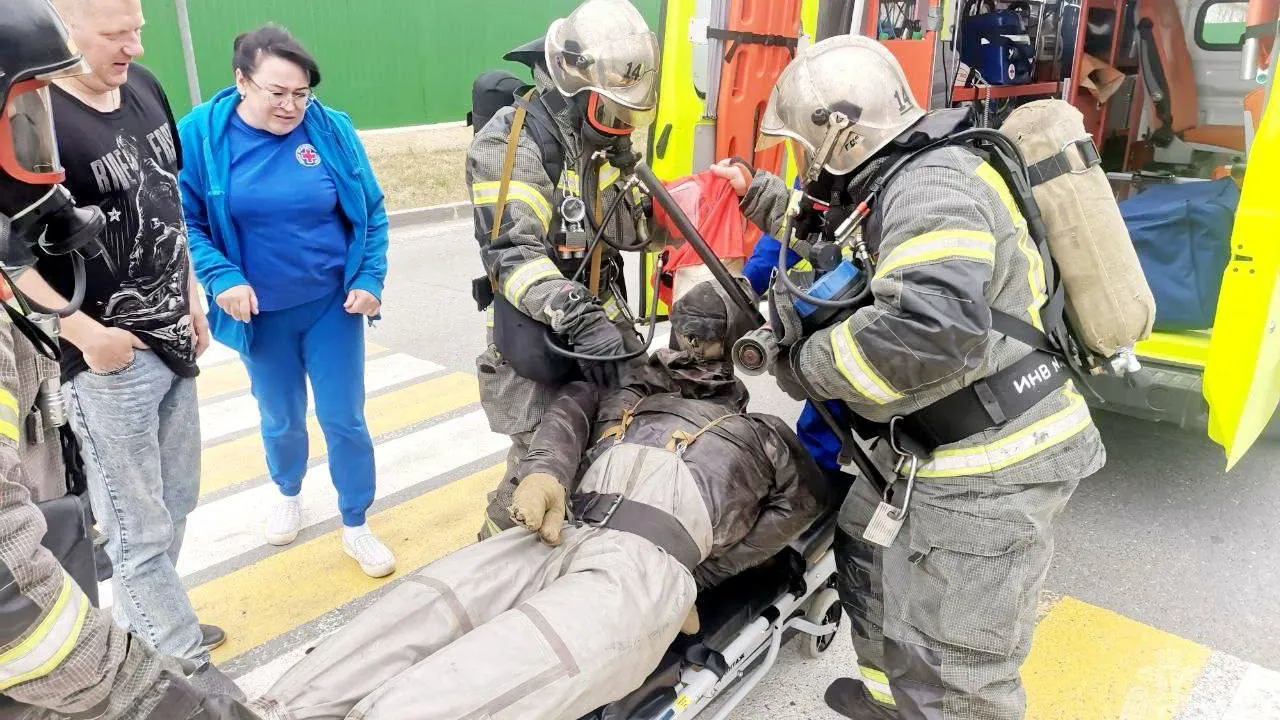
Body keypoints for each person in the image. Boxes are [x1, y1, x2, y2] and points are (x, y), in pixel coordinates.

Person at [709, 35, 1106, 720]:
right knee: (865, 552)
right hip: (929, 449)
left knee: (961, 670)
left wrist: (805, 365)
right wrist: (765, 199)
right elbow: (847, 243)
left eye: (809, 145)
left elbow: (929, 328)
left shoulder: (934, 181)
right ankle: (894, 704)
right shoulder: (899, 179)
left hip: (989, 466)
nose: (809, 162)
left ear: (843, 133)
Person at [245, 280, 833, 720]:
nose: (693, 347)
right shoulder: (626, 393)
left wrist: (701, 574)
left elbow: (801, 509)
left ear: (733, 347)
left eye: (707, 339)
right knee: (426, 606)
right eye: (685, 332)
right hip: (560, 527)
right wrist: (547, 473)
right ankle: (278, 710)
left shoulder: (764, 436)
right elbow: (568, 415)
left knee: (498, 666)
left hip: (642, 567)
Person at [0, 0, 253, 714]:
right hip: (107, 361)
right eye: (115, 33)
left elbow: (163, 197)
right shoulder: (37, 114)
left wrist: (194, 300)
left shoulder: (142, 90)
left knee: (175, 504)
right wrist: (87, 337)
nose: (135, 46)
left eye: (138, 27)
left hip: (175, 341)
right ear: (66, 29)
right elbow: (11, 252)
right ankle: (180, 661)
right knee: (137, 527)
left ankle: (154, 616)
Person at [178, 24, 394, 578]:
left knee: (344, 417)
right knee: (280, 418)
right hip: (261, 315)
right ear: (241, 81)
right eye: (277, 93)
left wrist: (369, 278)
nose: (290, 106)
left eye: (301, 94)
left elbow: (370, 211)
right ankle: (288, 490)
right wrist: (220, 276)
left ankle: (356, 521)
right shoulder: (203, 135)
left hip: (332, 307)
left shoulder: (332, 131)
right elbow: (190, 221)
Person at [467, 0, 659, 539]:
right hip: (537, 347)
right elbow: (512, 254)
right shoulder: (510, 143)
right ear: (571, 88)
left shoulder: (588, 148)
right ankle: (490, 560)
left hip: (592, 329)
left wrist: (654, 207)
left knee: (598, 450)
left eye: (626, 115)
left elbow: (622, 232)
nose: (619, 128)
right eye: (610, 113)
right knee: (537, 470)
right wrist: (580, 316)